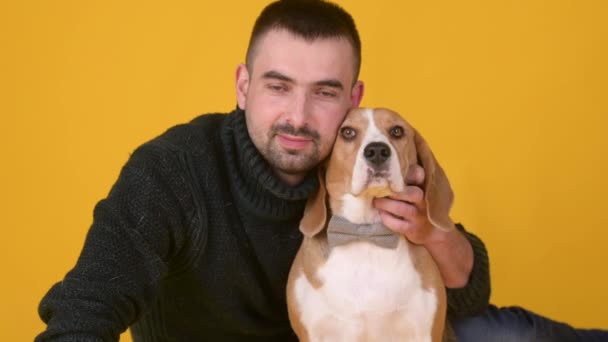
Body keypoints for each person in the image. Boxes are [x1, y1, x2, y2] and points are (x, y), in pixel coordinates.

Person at [36, 1, 607, 341]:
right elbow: (90, 302)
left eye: (325, 93)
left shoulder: (363, 157)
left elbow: (464, 293)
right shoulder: (173, 170)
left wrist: (433, 231)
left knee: (507, 333)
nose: (299, 117)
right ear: (242, 86)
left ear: (354, 98)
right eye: (278, 86)